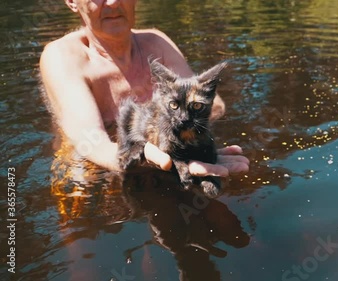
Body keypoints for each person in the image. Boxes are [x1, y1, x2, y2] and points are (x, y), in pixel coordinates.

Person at [39, 0, 249, 177]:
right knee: (79, 217)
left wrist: (175, 139)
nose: (112, 2)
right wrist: (134, 154)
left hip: (174, 153)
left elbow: (215, 104)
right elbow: (90, 141)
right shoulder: (63, 57)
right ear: (72, 2)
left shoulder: (158, 43)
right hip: (90, 167)